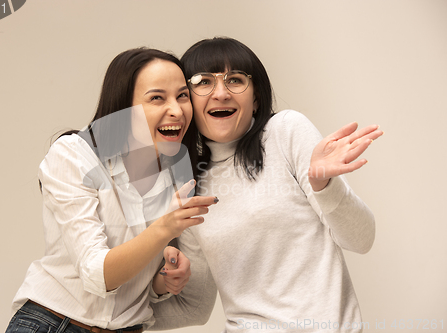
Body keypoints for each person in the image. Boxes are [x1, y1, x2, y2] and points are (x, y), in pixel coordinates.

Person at [149, 37, 383, 333]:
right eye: (203, 82)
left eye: (235, 80)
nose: (220, 93)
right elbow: (193, 307)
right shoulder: (190, 186)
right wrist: (105, 319)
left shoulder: (284, 132)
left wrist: (324, 185)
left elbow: (361, 240)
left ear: (256, 98)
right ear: (187, 102)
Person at [5, 48, 218, 333]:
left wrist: (161, 282)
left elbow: (137, 283)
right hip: (54, 323)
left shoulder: (180, 175)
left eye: (182, 96)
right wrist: (165, 228)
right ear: (123, 108)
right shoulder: (74, 155)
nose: (177, 110)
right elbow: (96, 274)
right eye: (157, 97)